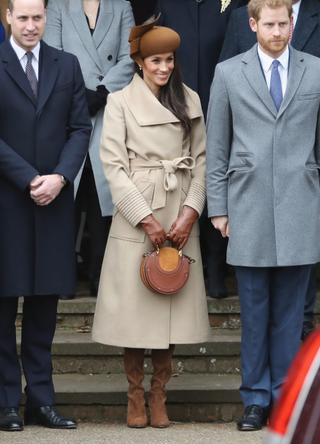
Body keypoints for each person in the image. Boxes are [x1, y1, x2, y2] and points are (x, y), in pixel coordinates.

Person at [92, 17, 211, 428]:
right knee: (135, 312)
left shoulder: (189, 100)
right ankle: (135, 397)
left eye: (170, 60)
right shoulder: (120, 101)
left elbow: (202, 163)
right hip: (137, 215)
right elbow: (113, 166)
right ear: (140, 62)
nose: (164, 67)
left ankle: (160, 395)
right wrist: (145, 218)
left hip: (179, 213)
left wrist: (190, 212)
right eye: (156, 60)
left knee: (171, 305)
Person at [206, 0, 320, 432]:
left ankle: (286, 398)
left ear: (292, 23)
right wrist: (218, 207)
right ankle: (255, 400)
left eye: (283, 23)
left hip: (302, 205)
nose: (277, 32)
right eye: (268, 24)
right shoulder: (228, 73)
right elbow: (217, 147)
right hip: (247, 206)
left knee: (292, 317)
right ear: (252, 24)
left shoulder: (316, 70)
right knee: (253, 316)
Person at [0, 0, 91, 432]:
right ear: (8, 19)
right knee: (2, 309)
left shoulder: (67, 65)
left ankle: (40, 400)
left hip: (53, 203)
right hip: (7, 203)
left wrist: (59, 177)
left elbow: (80, 129)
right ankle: (5, 404)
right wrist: (29, 178)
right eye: (23, 18)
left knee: (43, 310)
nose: (31, 25)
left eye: (38, 17)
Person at [154, 0, 249, 300]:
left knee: (216, 182)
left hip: (221, 102)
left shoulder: (235, 3)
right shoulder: (167, 4)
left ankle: (216, 269)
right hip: (175, 106)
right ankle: (182, 265)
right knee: (183, 184)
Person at [44, 0, 135, 298]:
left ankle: (99, 272)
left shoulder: (121, 6)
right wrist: (79, 95)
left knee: (102, 193)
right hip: (66, 109)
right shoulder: (58, 5)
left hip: (108, 108)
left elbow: (130, 56)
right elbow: (51, 54)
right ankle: (63, 273)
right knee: (68, 189)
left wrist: (103, 91)